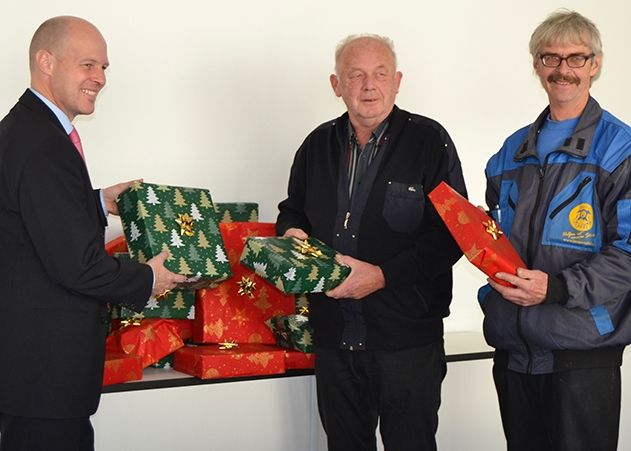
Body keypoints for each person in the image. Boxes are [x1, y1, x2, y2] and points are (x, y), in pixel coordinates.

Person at [0, 16, 186, 451]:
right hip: (45, 374)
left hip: (29, 368)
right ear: (46, 62)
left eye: (104, 67)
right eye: (87, 65)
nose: (99, 78)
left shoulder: (25, 131)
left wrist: (97, 200)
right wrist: (148, 279)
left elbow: (31, 219)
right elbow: (78, 266)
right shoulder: (43, 144)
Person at [276, 34, 466, 451]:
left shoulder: (429, 142)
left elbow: (453, 236)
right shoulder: (315, 146)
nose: (368, 85)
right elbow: (292, 210)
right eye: (355, 74)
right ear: (336, 84)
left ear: (397, 81)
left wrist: (381, 276)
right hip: (333, 340)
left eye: (380, 74)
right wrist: (291, 233)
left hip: (406, 344)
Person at [481, 9, 631, 451]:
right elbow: (494, 232)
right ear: (536, 65)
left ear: (595, 65)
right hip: (513, 350)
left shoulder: (621, 149)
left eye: (575, 58)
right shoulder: (511, 150)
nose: (562, 70)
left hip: (581, 353)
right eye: (550, 58)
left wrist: (557, 289)